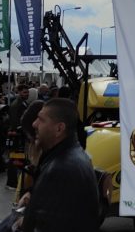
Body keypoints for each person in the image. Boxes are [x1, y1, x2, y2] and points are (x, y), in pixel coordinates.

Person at [18, 98, 99, 232]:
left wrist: (25, 222)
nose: (34, 124)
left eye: (41, 119)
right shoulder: (66, 155)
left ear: (59, 128)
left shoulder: (60, 169)